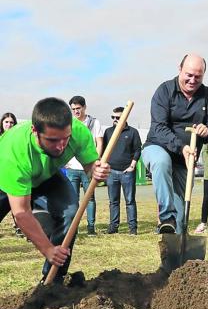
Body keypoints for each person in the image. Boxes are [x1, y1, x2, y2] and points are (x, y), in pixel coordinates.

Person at [0, 97, 110, 283]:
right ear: (35, 131)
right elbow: (21, 212)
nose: (61, 146)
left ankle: (53, 281)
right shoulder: (14, 152)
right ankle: (41, 214)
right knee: (27, 212)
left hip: (46, 175)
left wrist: (96, 170)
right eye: (52, 140)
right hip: (6, 178)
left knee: (70, 212)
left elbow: (90, 166)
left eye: (65, 139)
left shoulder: (78, 132)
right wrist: (47, 249)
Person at [143, 53, 208, 234]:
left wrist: (207, 129)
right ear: (180, 69)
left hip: (184, 161)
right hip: (158, 147)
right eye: (189, 74)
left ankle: (176, 258)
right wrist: (181, 147)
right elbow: (159, 127)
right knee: (161, 161)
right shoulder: (164, 91)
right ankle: (166, 216)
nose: (192, 80)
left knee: (180, 223)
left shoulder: (207, 95)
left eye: (198, 76)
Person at [66, 96, 103, 235]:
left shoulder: (94, 123)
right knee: (72, 200)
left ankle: (91, 227)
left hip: (88, 167)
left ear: (84, 107)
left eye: (78, 108)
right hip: (72, 168)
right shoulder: (69, 123)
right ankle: (73, 228)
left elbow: (99, 142)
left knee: (90, 198)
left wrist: (95, 161)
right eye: (73, 109)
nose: (76, 111)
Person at [102, 107, 142, 235]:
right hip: (111, 172)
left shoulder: (132, 132)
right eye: (112, 117)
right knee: (113, 201)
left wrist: (132, 166)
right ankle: (113, 227)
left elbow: (137, 149)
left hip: (127, 172)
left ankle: (132, 228)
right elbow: (103, 150)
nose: (114, 120)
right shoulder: (108, 132)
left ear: (124, 118)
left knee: (130, 201)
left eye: (117, 118)